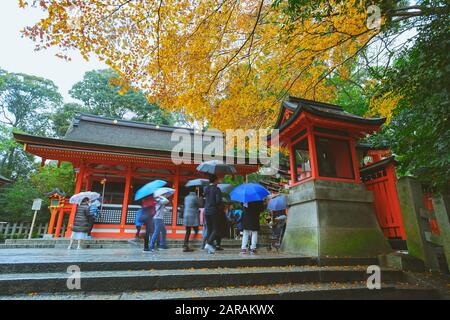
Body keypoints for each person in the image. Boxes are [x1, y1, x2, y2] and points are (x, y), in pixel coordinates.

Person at [203, 174, 223, 254]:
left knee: (209, 229)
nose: (218, 181)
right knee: (216, 229)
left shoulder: (205, 188)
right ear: (215, 180)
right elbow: (218, 201)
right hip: (214, 211)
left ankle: (210, 249)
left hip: (206, 210)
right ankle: (208, 244)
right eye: (217, 180)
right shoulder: (217, 189)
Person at [183, 188, 203, 252]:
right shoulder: (195, 197)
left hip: (186, 216)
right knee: (196, 230)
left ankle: (185, 246)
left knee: (187, 232)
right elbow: (200, 205)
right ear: (194, 191)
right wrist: (201, 199)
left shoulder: (186, 197)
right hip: (193, 216)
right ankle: (191, 243)